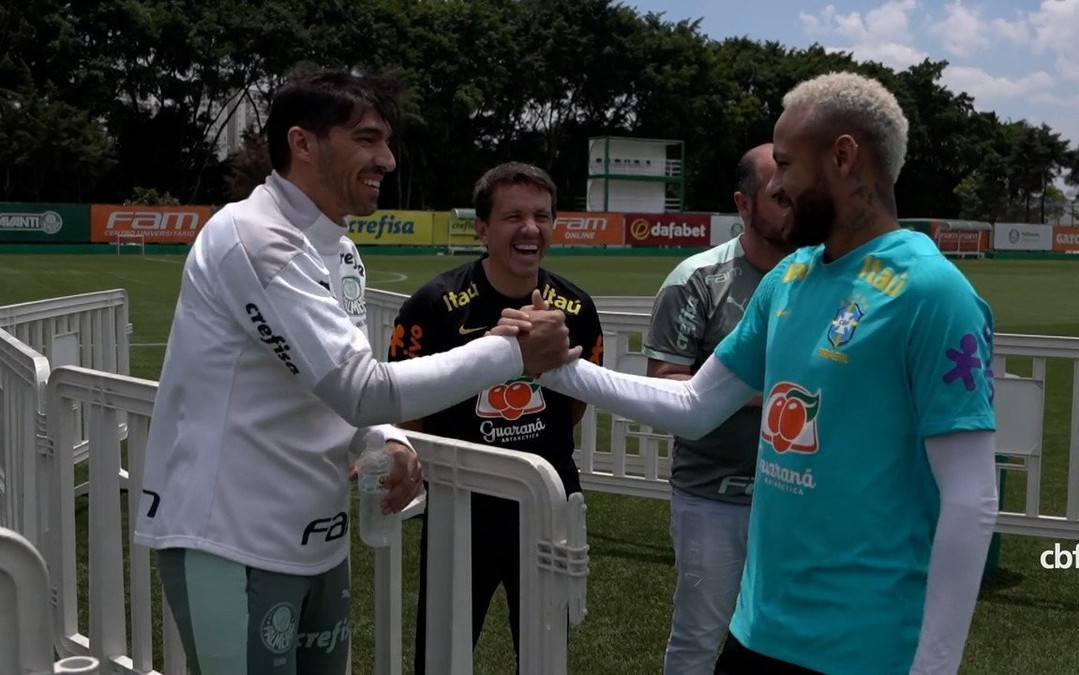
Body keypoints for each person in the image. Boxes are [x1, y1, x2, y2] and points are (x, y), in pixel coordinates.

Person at [526, 72, 999, 674]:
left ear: (844, 157)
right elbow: (696, 404)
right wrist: (560, 370)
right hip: (759, 633)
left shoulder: (932, 293)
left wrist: (933, 667)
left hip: (866, 648)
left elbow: (972, 499)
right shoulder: (791, 278)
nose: (780, 184)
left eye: (785, 163)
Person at [133, 71, 576, 675]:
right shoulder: (256, 237)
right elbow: (362, 389)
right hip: (229, 537)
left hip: (316, 537)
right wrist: (512, 353)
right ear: (304, 143)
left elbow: (334, 382)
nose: (386, 159)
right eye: (368, 139)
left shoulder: (340, 250)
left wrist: (384, 439)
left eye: (386, 142)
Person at [389, 161, 604, 673]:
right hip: (461, 509)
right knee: (441, 652)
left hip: (547, 505)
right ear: (482, 228)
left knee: (545, 653)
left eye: (542, 215)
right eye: (513, 217)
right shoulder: (434, 305)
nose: (530, 229)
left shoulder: (575, 307)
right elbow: (405, 411)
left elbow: (573, 409)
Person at [644, 143, 795, 675]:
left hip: (800, 499)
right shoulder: (698, 280)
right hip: (714, 494)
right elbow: (665, 384)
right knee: (699, 642)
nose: (794, 204)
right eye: (779, 195)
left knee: (787, 642)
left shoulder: (824, 277)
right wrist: (781, 389)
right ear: (744, 204)